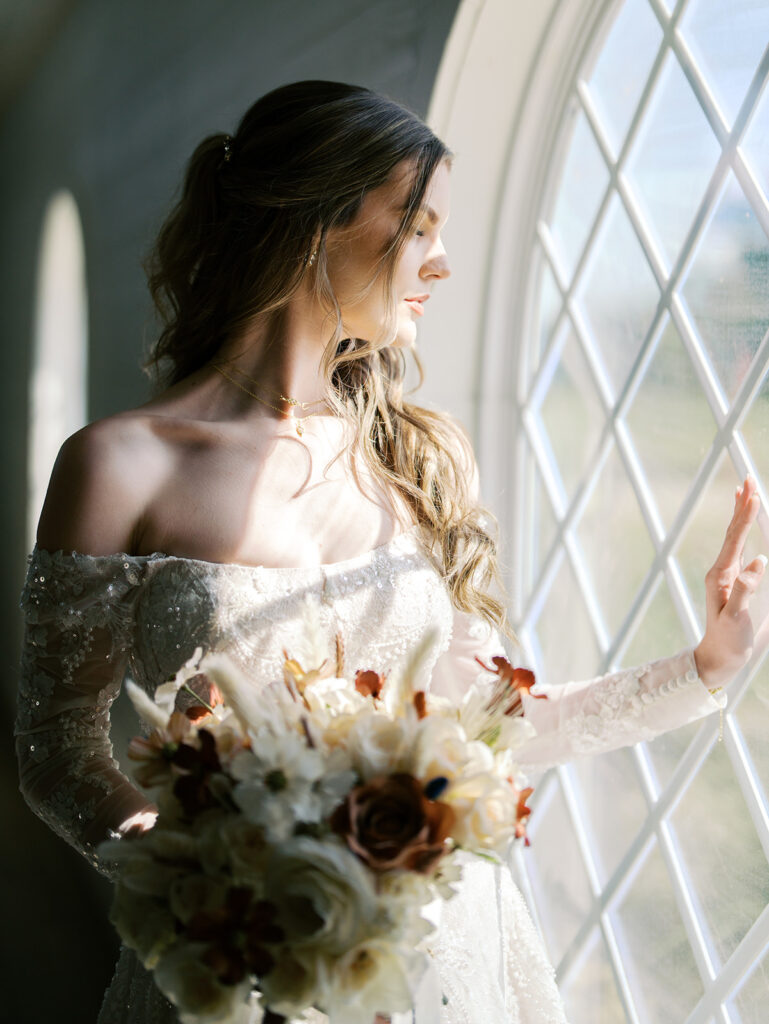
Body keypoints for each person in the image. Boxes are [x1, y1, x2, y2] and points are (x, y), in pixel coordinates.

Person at [15, 81, 765, 1024]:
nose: (442, 262)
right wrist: (204, 883)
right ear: (316, 220)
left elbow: (490, 727)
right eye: (421, 225)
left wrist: (703, 668)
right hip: (230, 961)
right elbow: (56, 753)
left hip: (444, 960)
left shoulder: (416, 456)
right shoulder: (117, 465)